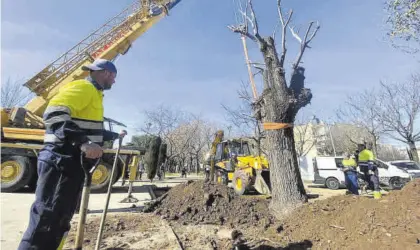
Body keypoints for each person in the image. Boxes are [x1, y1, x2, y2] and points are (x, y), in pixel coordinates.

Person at [18, 59, 119, 250]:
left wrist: (111, 135)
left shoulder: (95, 95)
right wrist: (83, 143)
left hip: (71, 162)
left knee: (61, 218)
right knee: (47, 220)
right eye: (114, 77)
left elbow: (86, 127)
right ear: (106, 73)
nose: (114, 81)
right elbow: (54, 115)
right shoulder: (84, 88)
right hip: (61, 159)